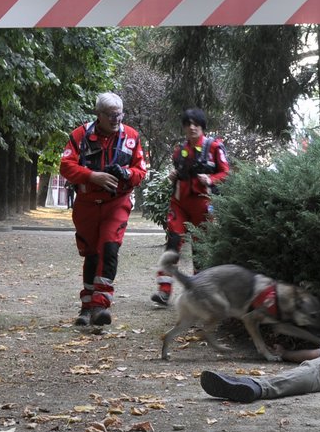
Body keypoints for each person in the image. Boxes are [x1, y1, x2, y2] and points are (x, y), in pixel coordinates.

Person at [59, 92, 148, 327]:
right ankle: (87, 306)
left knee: (109, 246)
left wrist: (126, 173)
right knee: (91, 253)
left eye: (119, 114)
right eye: (110, 115)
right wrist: (92, 176)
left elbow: (140, 171)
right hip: (87, 204)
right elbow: (66, 166)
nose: (116, 119)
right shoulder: (81, 135)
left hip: (116, 202)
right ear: (98, 115)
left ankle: (101, 304)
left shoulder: (131, 137)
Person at [151, 108, 230, 306]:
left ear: (202, 126)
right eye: (188, 124)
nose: (192, 127)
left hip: (203, 205)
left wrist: (210, 179)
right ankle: (163, 290)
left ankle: (199, 293)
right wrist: (173, 175)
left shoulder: (214, 147)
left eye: (196, 124)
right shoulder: (180, 150)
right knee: (173, 243)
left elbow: (226, 173)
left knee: (199, 249)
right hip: (179, 204)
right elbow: (179, 172)